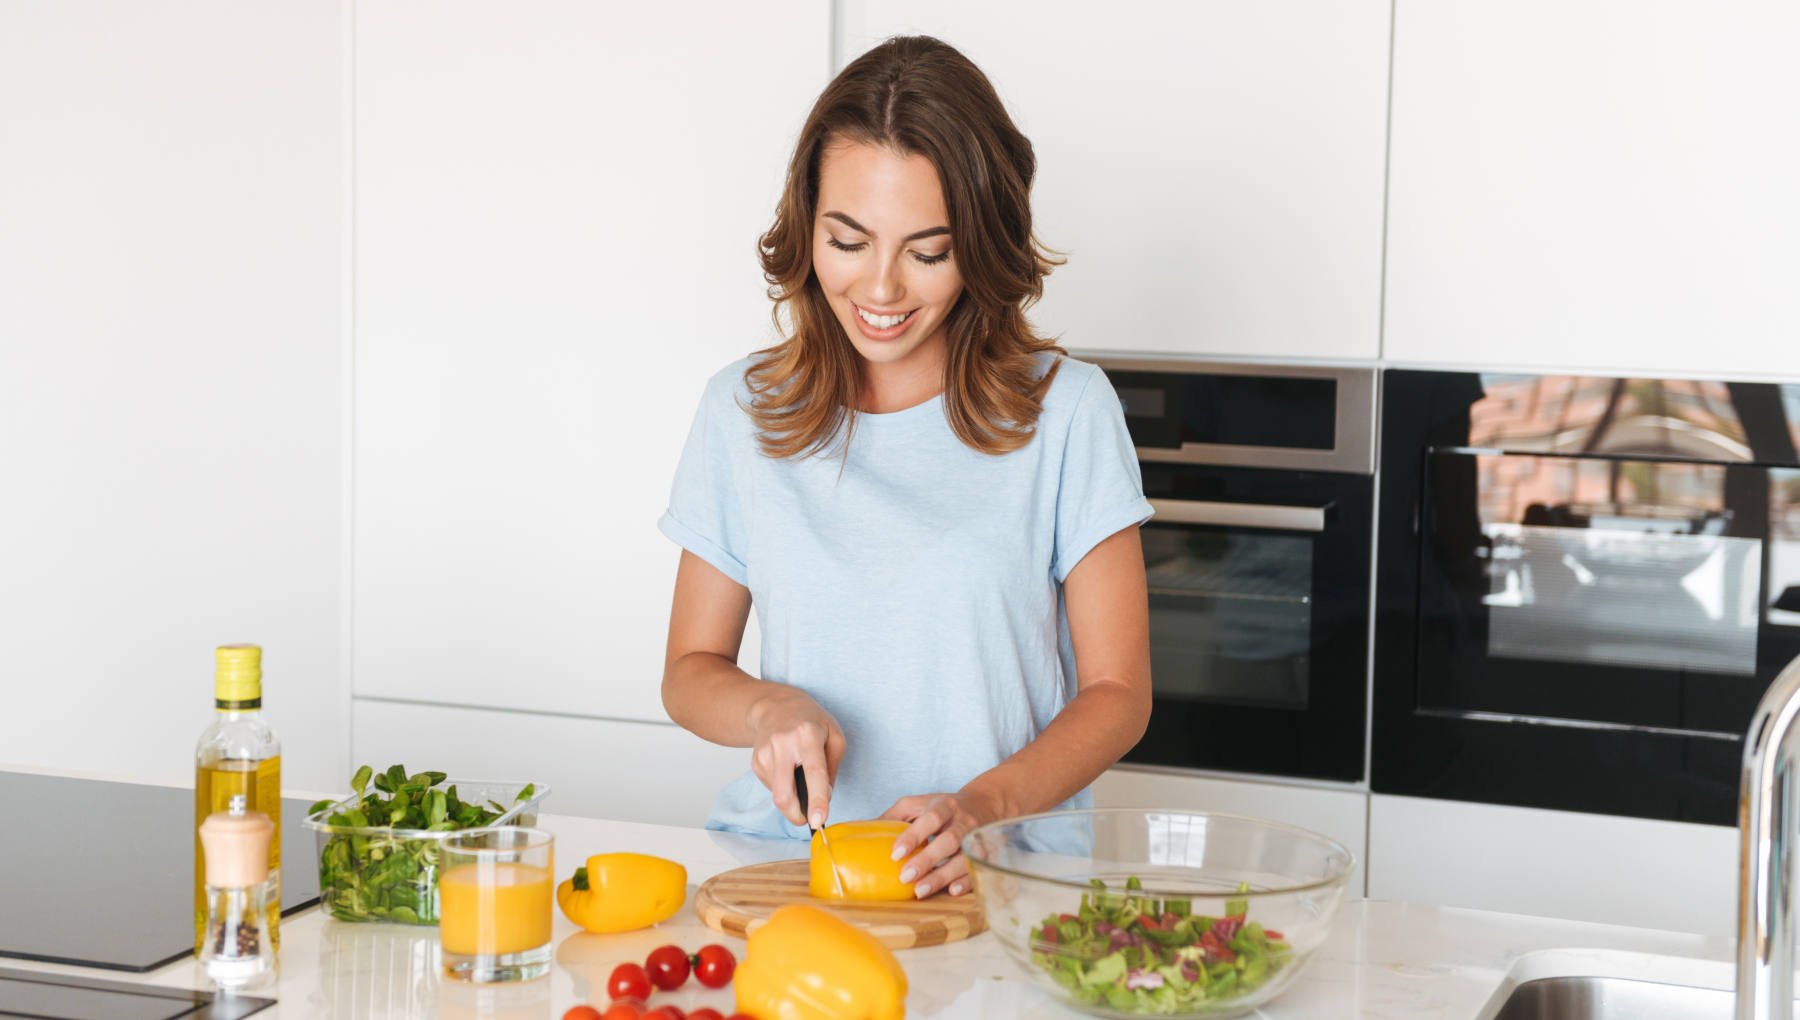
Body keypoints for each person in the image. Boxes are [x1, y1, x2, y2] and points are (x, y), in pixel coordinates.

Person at [657, 35, 1153, 900]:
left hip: (1005, 881)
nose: (881, 289)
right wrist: (771, 710)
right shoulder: (741, 410)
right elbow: (691, 668)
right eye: (848, 241)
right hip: (790, 869)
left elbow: (1118, 692)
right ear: (806, 223)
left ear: (983, 248)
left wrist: (981, 807)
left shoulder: (1066, 412)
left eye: (928, 253)